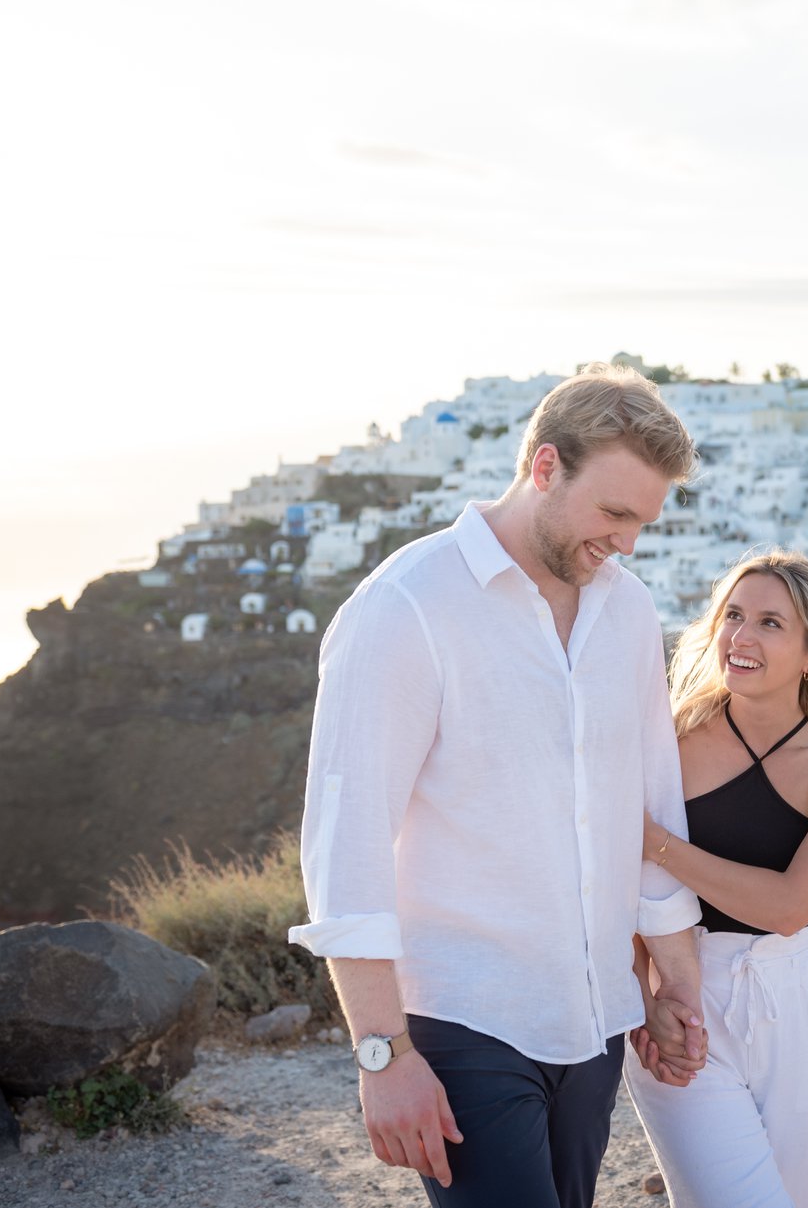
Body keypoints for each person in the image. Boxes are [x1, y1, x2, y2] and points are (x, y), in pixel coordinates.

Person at [288, 363, 709, 1205]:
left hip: (595, 1020)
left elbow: (649, 799)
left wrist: (675, 980)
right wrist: (382, 1053)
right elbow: (348, 840)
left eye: (642, 522)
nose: (627, 543)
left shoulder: (627, 610)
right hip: (464, 1019)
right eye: (614, 513)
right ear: (545, 466)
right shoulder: (405, 605)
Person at [626, 551, 808, 1208]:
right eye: (733, 616)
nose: (742, 637)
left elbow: (790, 906)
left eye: (771, 623)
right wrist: (643, 999)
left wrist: (658, 843)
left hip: (800, 1002)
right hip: (684, 1002)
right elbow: (618, 890)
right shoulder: (666, 740)